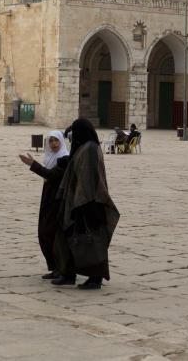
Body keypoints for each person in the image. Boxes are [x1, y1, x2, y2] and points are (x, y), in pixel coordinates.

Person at [51, 118, 120, 290]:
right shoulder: (83, 146)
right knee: (70, 237)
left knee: (91, 241)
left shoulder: (90, 149)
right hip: (77, 200)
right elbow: (76, 165)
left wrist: (83, 202)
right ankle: (68, 273)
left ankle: (95, 277)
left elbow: (88, 177)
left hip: (88, 201)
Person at [18, 130, 70, 280]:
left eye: (56, 141)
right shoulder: (51, 157)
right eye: (51, 141)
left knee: (49, 234)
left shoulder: (64, 158)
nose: (53, 144)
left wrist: (33, 165)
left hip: (58, 201)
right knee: (45, 234)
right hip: (48, 199)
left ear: (61, 141)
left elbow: (52, 175)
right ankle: (55, 268)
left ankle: (62, 268)